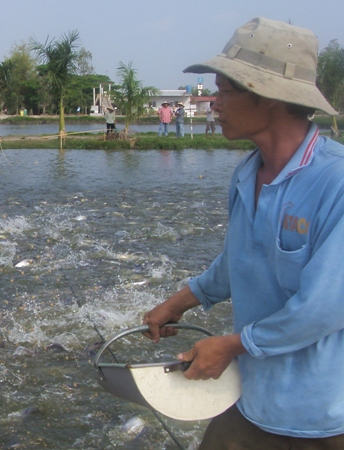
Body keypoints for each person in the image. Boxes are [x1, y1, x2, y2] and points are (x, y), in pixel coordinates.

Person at [143, 17, 342, 449]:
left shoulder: (336, 183)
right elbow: (242, 258)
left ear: (269, 97)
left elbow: (324, 308)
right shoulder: (247, 173)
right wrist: (179, 302)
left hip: (324, 414)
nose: (214, 102)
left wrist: (230, 346)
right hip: (253, 397)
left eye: (225, 91)